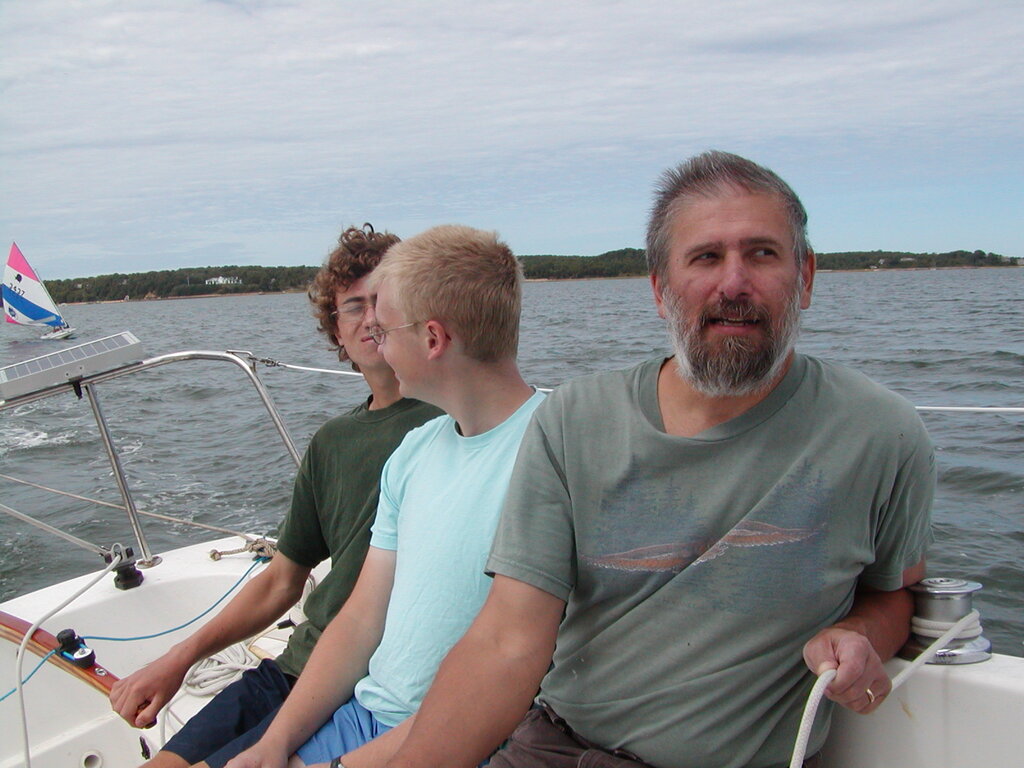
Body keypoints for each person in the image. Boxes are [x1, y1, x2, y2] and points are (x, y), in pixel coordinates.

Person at [384, 151, 936, 768]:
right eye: (705, 257)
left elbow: (896, 595)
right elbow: (507, 641)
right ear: (660, 290)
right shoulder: (573, 421)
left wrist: (860, 634)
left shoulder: (881, 434)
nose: (734, 283)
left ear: (805, 277)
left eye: (762, 253)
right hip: (557, 748)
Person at [109, 224, 442, 768]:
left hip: (364, 685)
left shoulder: (453, 420)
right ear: (336, 332)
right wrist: (178, 659)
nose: (371, 318)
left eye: (383, 300)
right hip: (294, 666)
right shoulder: (332, 443)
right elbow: (283, 580)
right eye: (353, 306)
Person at [223, 224, 545, 768]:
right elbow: (360, 619)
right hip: (365, 713)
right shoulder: (412, 454)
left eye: (387, 328)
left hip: (469, 737)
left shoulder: (551, 454)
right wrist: (274, 743)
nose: (377, 340)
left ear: (433, 340)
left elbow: (509, 671)